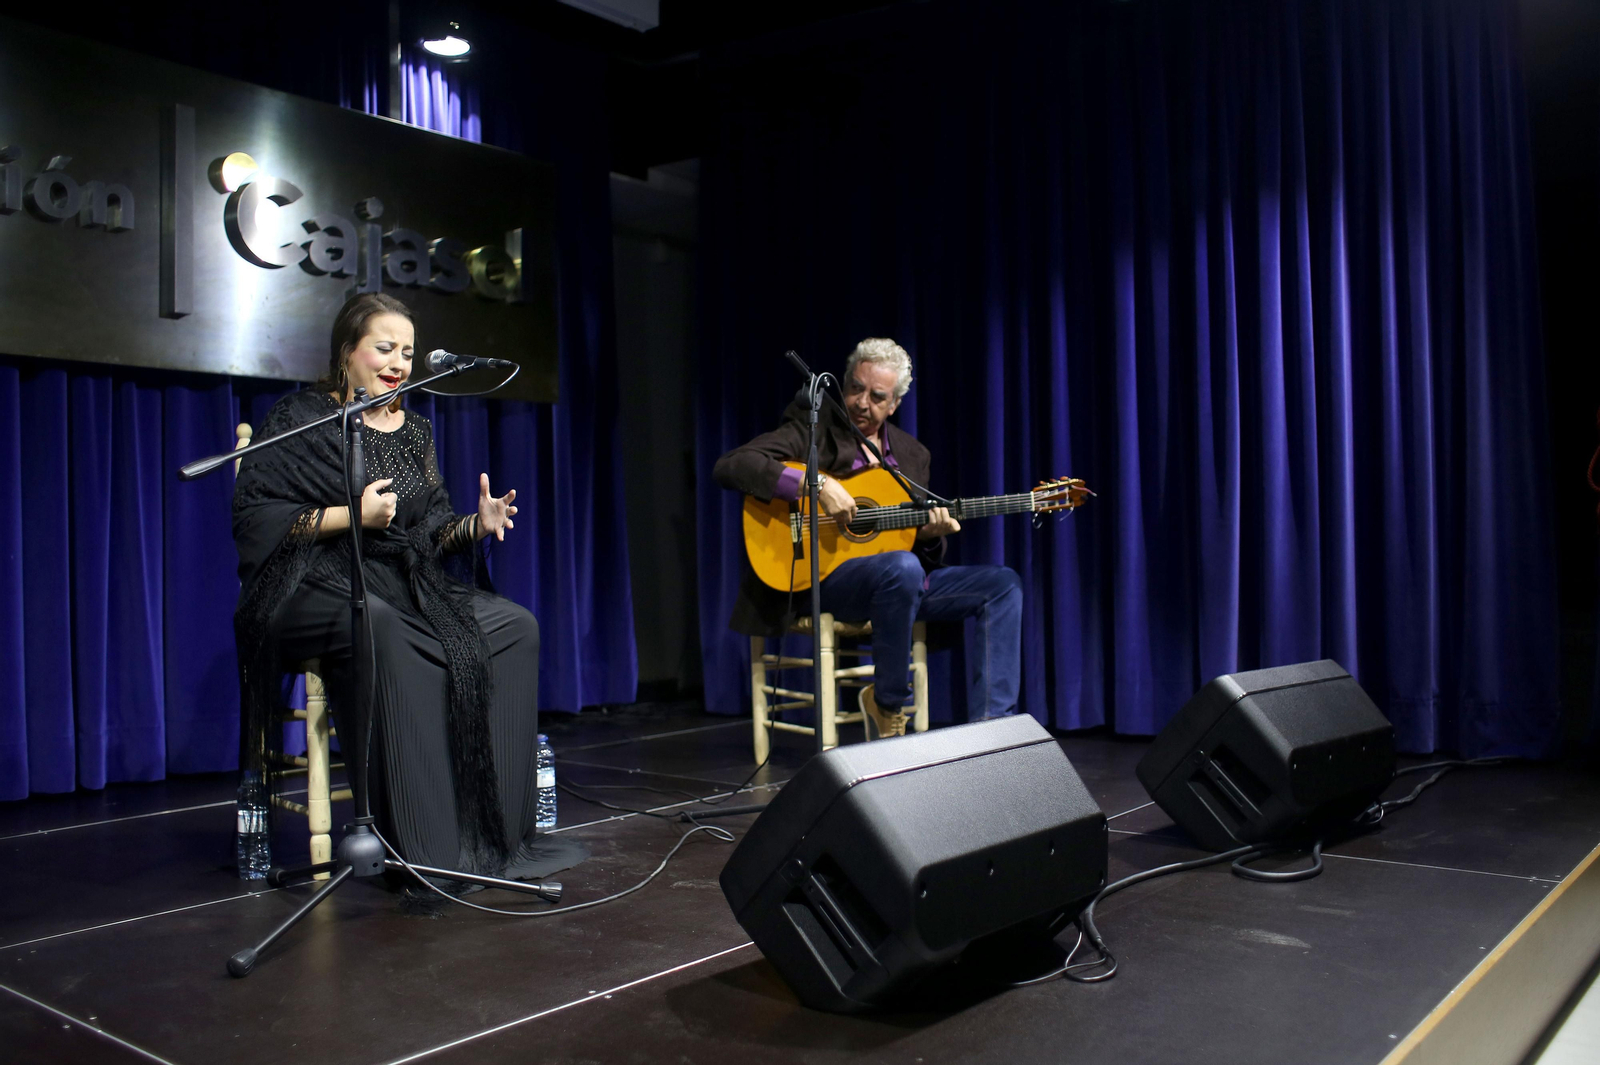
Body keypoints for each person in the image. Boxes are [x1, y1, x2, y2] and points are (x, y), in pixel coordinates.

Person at [233, 292, 549, 883]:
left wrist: (472, 525)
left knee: (514, 626)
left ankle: (491, 834)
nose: (399, 362)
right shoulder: (300, 417)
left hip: (395, 580)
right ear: (347, 351)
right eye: (385, 348)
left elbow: (427, 533)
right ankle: (419, 846)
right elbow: (256, 523)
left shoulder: (415, 430)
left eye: (407, 351)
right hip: (306, 583)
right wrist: (351, 514)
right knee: (381, 624)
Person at [713, 337, 1024, 737]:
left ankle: (993, 729)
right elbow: (731, 466)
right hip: (824, 580)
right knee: (902, 568)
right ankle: (888, 703)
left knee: (1001, 584)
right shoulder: (815, 430)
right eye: (856, 388)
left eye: (877, 396)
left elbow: (916, 548)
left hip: (900, 582)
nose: (862, 402)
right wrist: (815, 483)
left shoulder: (914, 455)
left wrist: (929, 534)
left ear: (894, 404)